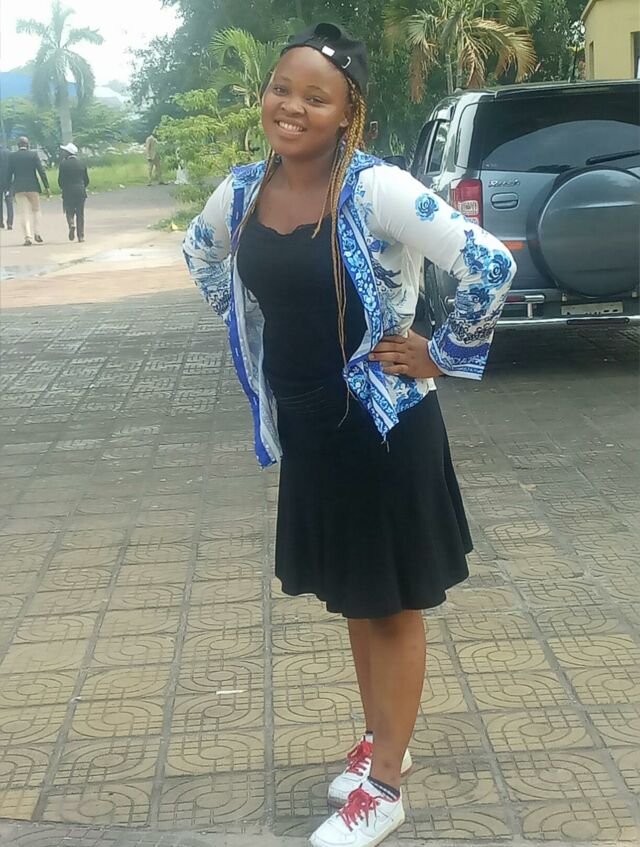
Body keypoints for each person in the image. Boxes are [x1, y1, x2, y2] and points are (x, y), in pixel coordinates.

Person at [183, 22, 516, 847]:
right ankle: (379, 741)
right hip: (310, 430)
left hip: (385, 429)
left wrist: (440, 352)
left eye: (315, 96)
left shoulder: (376, 190)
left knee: (392, 604)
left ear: (346, 113)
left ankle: (386, 785)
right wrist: (252, 330)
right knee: (357, 599)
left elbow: (489, 263)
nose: (292, 106)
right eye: (282, 89)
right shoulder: (242, 192)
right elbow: (200, 254)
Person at [8, 136, 50, 246]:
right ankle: (37, 232)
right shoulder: (33, 155)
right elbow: (41, 171)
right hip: (33, 187)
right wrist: (47, 186)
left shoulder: (12, 156)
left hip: (19, 188)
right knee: (36, 210)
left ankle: (28, 237)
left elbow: (9, 174)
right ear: (28, 144)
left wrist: (8, 188)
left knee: (23, 213)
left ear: (18, 145)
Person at [58, 143, 90, 242]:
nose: (63, 153)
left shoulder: (63, 164)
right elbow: (86, 180)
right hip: (80, 191)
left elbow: (60, 180)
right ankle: (81, 236)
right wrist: (82, 187)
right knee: (80, 214)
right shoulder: (81, 163)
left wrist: (63, 188)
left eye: (65, 151)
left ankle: (71, 223)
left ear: (68, 153)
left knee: (69, 211)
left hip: (68, 191)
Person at [0, 142, 14, 231]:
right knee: (9, 202)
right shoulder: (9, 153)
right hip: (8, 180)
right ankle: (10, 222)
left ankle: (0, 222)